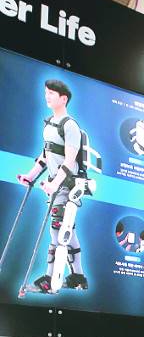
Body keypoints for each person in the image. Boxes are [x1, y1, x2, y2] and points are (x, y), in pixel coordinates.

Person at [17, 79, 88, 292]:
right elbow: (46, 155)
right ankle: (78, 277)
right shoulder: (48, 123)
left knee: (58, 230)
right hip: (56, 186)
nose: (47, 96)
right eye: (46, 92)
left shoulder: (70, 125)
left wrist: (55, 183)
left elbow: (70, 160)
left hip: (68, 185)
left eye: (51, 93)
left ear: (63, 98)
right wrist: (30, 176)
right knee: (68, 230)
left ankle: (49, 279)